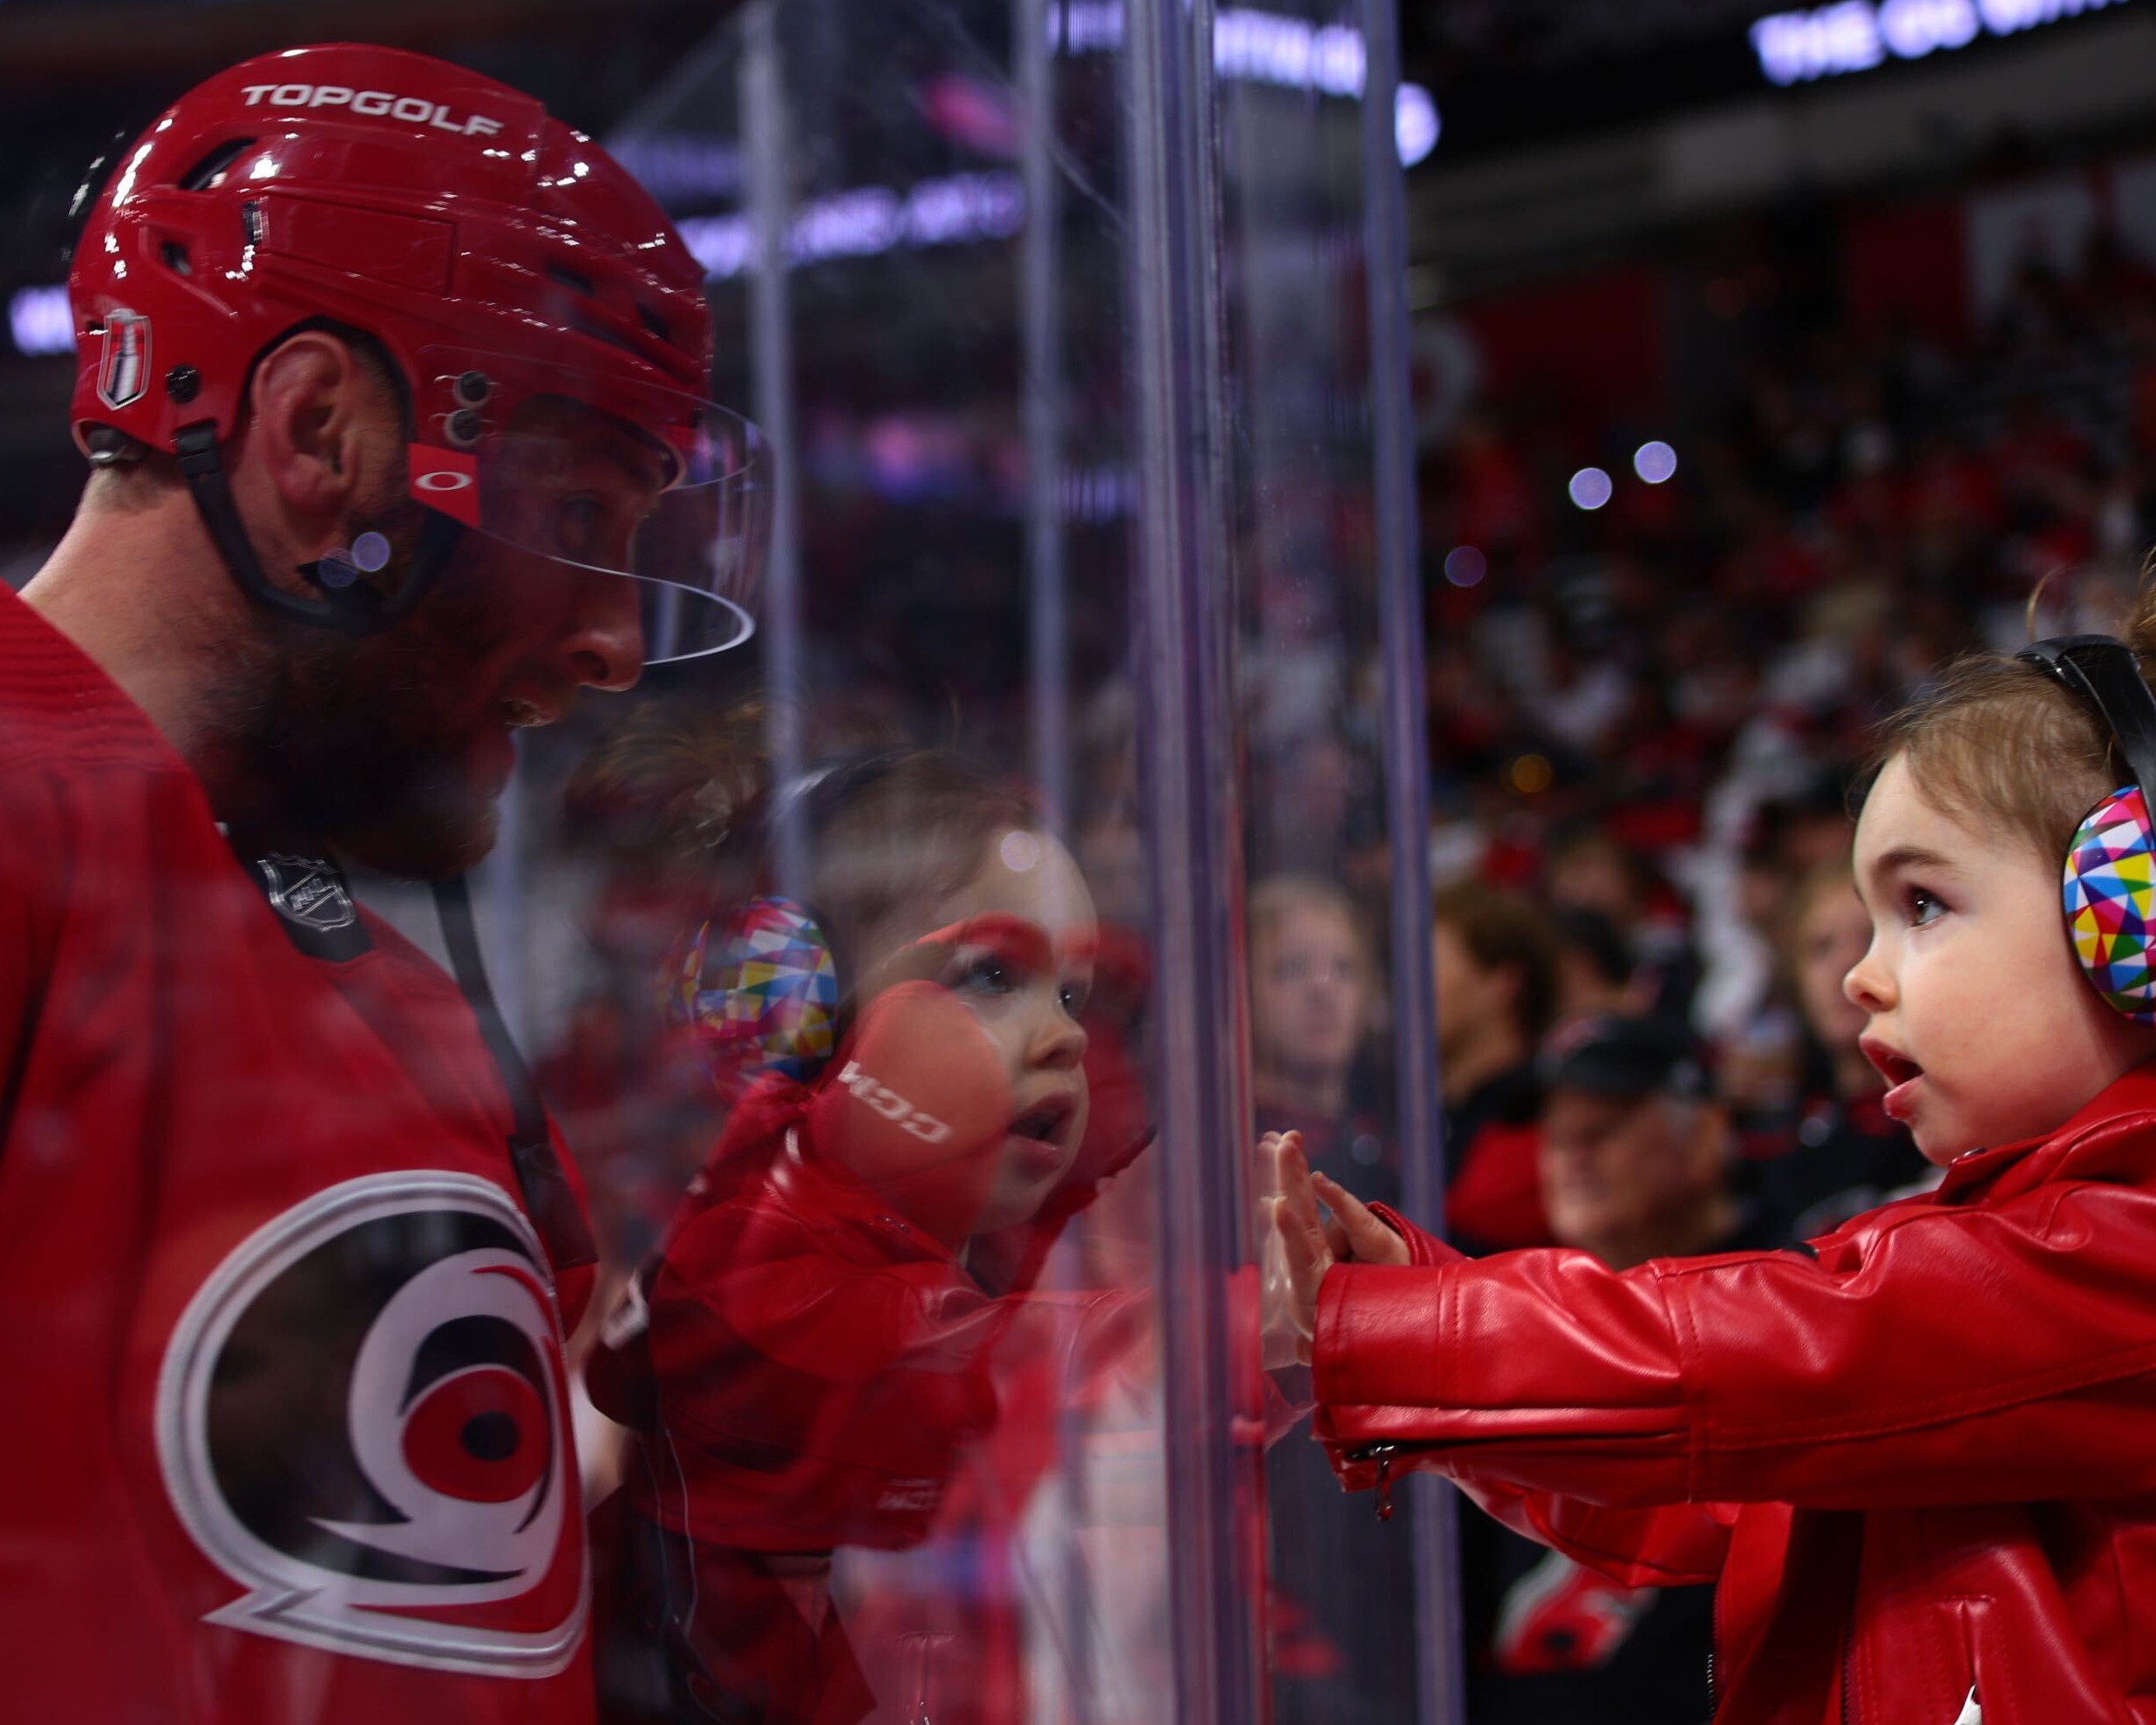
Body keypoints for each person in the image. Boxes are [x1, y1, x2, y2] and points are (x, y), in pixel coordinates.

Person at [0, 44, 758, 1723]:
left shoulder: (371, 959)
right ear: (318, 431)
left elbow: (507, 1501)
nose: (615, 641)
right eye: (576, 516)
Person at [1270, 611, 2156, 1722]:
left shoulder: (2129, 1249)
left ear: (2129, 918)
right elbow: (1718, 1495)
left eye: (1922, 903)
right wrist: (1410, 1308)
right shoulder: (2013, 1237)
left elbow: (1763, 1358)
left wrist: (1391, 1327)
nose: (1861, 979)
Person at [585, 743, 1149, 1725]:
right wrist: (1287, 1315)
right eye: (989, 975)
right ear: (798, 1011)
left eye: (1072, 993)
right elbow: (999, 1368)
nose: (1064, 1035)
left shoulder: (954, 1252)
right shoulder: (750, 1262)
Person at [1459, 1015, 1777, 1725]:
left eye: (1600, 1131)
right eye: (1555, 1135)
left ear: (1702, 1136)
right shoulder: (1542, 1316)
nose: (1567, 1157)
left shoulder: (1784, 1307)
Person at [1757, 855, 1936, 1242]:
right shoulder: (1770, 1147)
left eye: (1869, 936)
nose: (1845, 966)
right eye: (1820, 948)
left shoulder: (1957, 1120)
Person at [1432, 878, 1561, 1252]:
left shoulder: (1552, 1119)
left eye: (1429, 963)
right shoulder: (1409, 1124)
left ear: (1502, 983)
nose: (1404, 987)